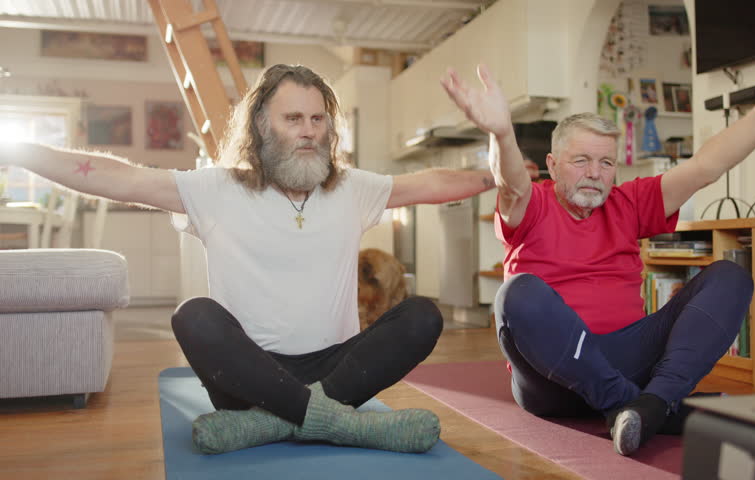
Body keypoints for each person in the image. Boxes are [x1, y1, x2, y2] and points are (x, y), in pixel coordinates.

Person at [0, 64, 499, 455]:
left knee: (423, 316)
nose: (308, 131)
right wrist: (17, 150)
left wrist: (503, 148)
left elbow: (436, 183)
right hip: (248, 377)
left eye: (317, 119)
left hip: (339, 371)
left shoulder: (352, 188)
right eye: (293, 118)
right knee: (194, 316)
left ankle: (275, 424)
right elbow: (114, 176)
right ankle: (339, 425)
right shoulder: (216, 188)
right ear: (262, 124)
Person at [441, 36, 755, 456]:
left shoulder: (629, 202)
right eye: (581, 161)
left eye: (607, 163)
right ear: (552, 164)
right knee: (516, 296)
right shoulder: (534, 202)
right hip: (551, 378)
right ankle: (636, 406)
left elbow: (707, 167)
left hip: (629, 355)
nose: (595, 174)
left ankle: (651, 404)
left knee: (730, 276)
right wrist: (502, 134)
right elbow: (510, 183)